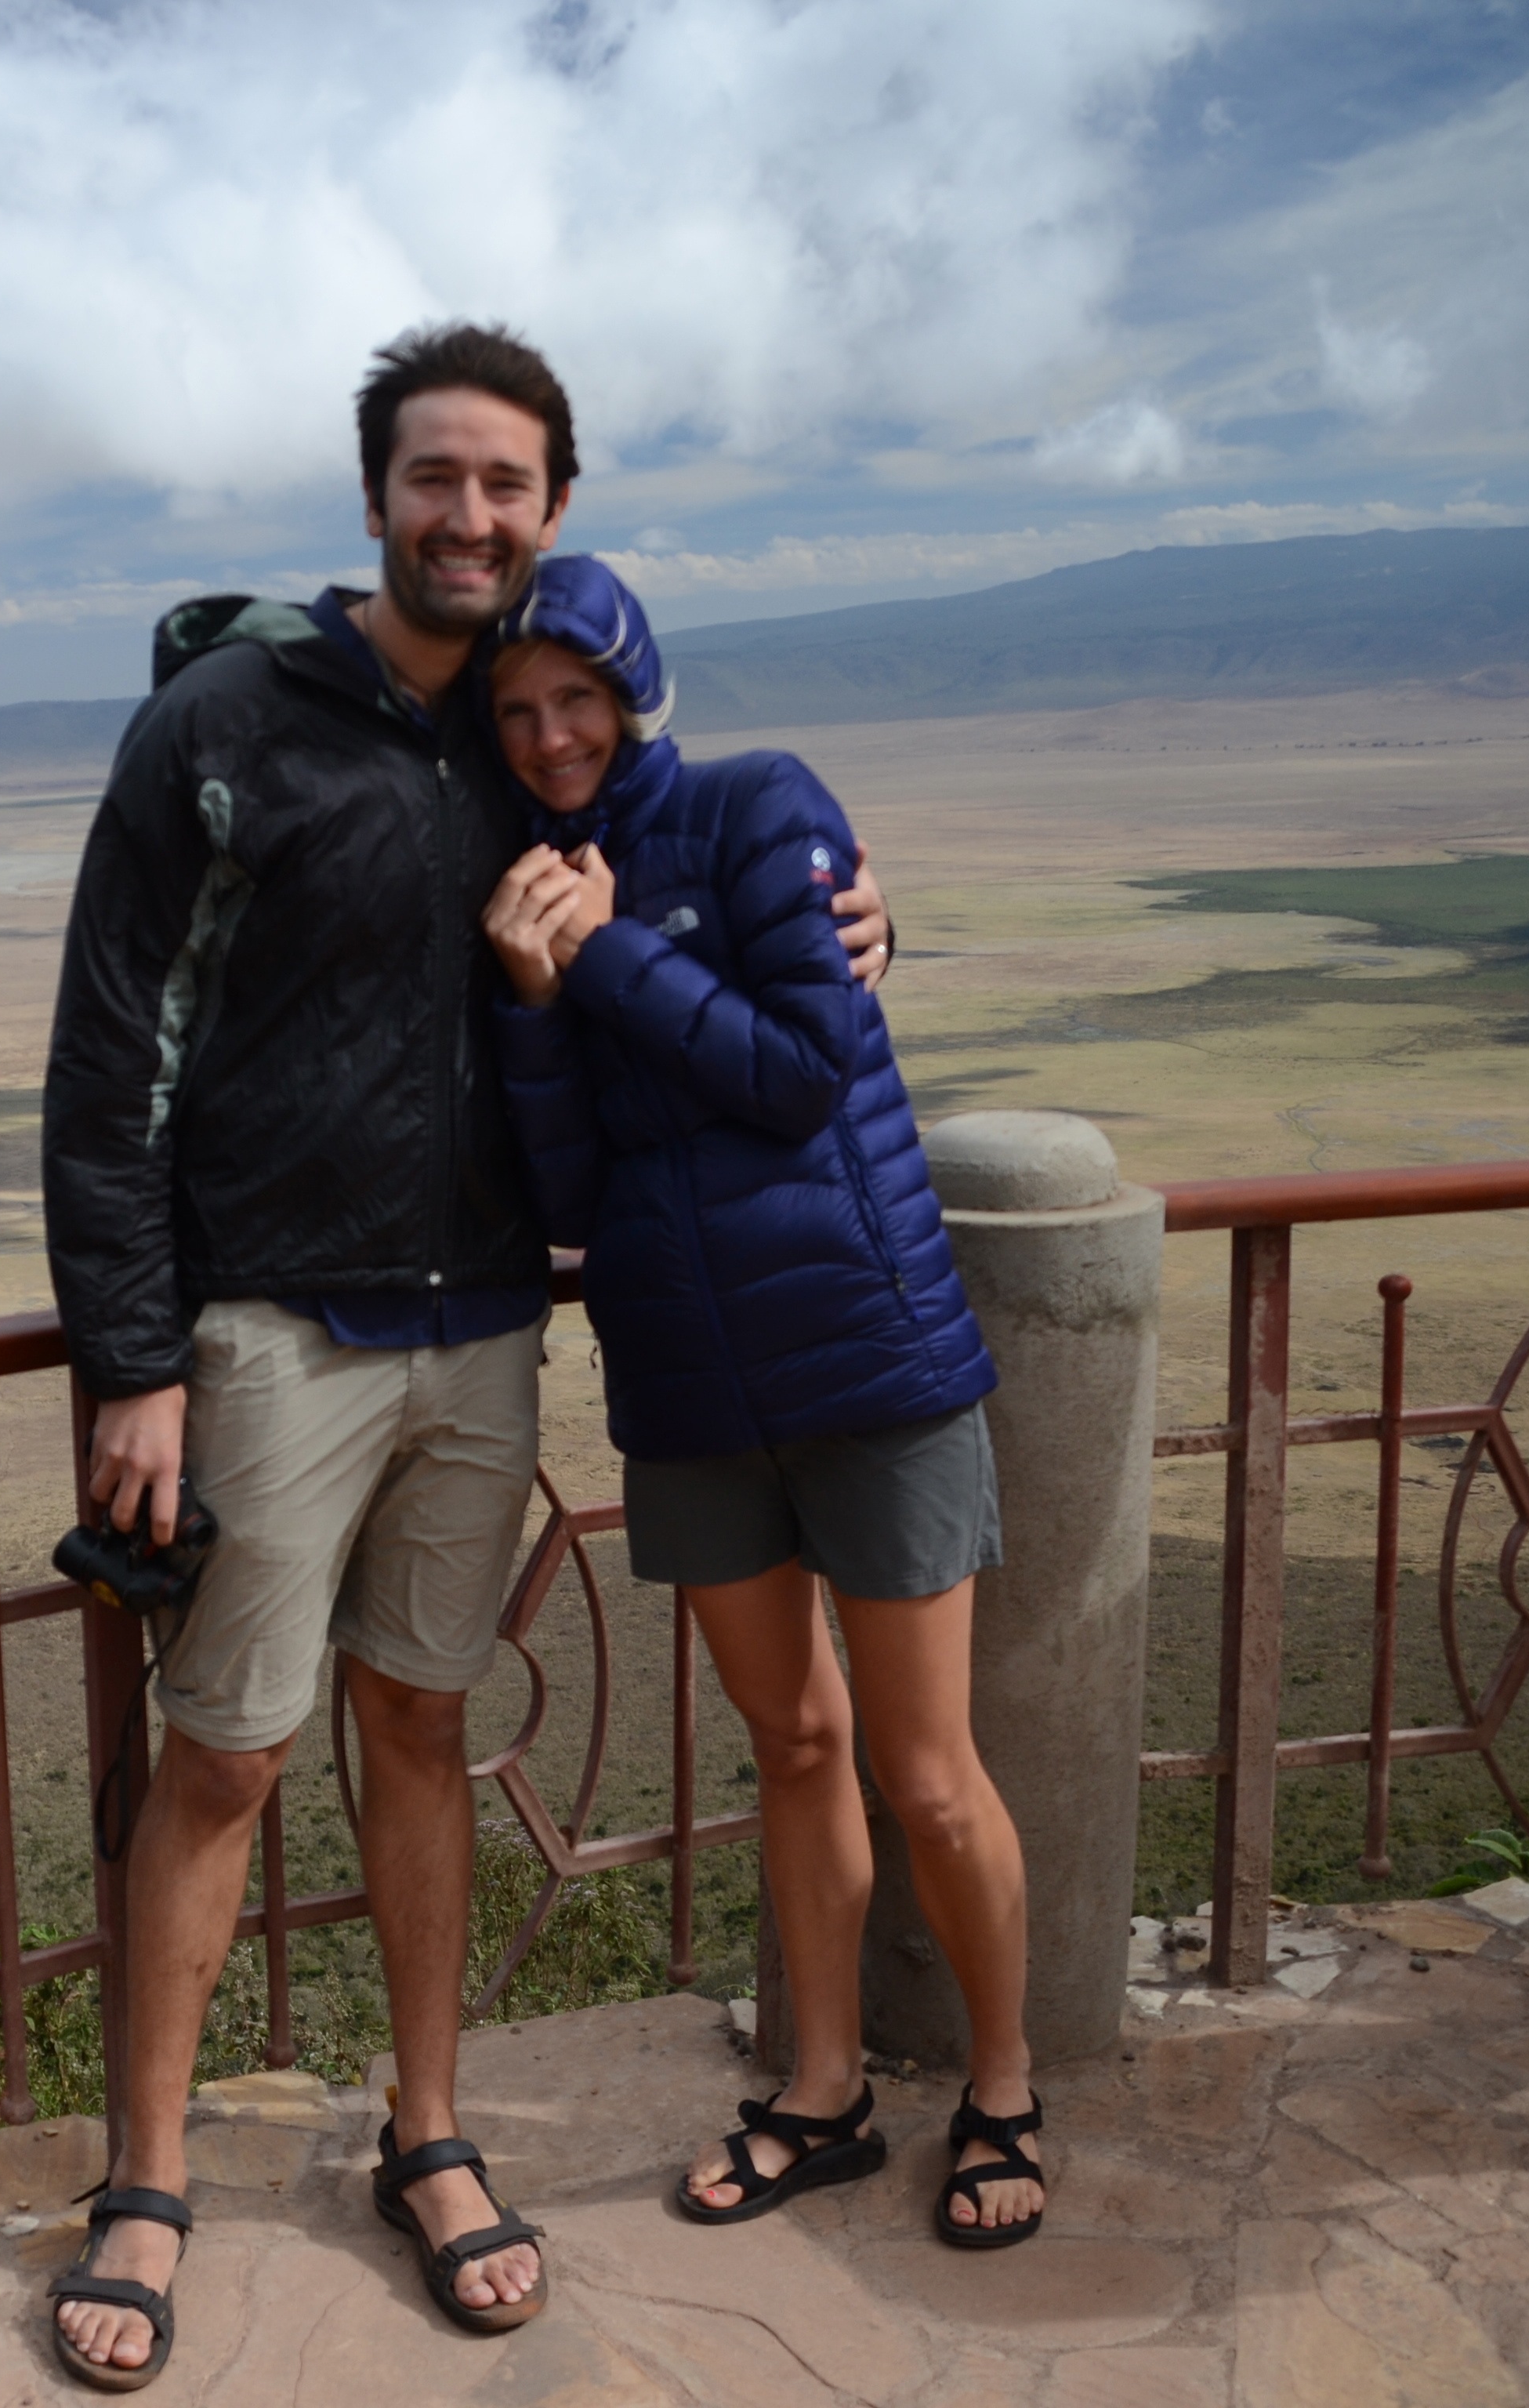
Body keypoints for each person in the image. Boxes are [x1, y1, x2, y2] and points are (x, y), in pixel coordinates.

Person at [34, 325, 896, 2390]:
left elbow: (721, 883)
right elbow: (107, 1050)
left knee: (421, 1729)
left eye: (507, 483)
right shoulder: (226, 724)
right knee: (227, 1756)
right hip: (274, 1331)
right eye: (435, 477)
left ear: (555, 508)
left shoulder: (535, 729)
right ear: (375, 498)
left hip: (487, 1323)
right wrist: (135, 1359)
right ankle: (146, 2182)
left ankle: (427, 2136)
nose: (469, 514)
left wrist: (873, 921)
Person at [473, 555, 1049, 2252]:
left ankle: (1005, 2087)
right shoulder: (527, 893)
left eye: (577, 698)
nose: (550, 735)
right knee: (793, 1746)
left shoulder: (756, 809)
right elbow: (570, 1194)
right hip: (687, 1380)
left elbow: (804, 1074)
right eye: (516, 711)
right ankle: (824, 2093)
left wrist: (604, 957)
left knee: (925, 1769)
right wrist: (535, 1002)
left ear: (632, 689)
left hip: (867, 1352)